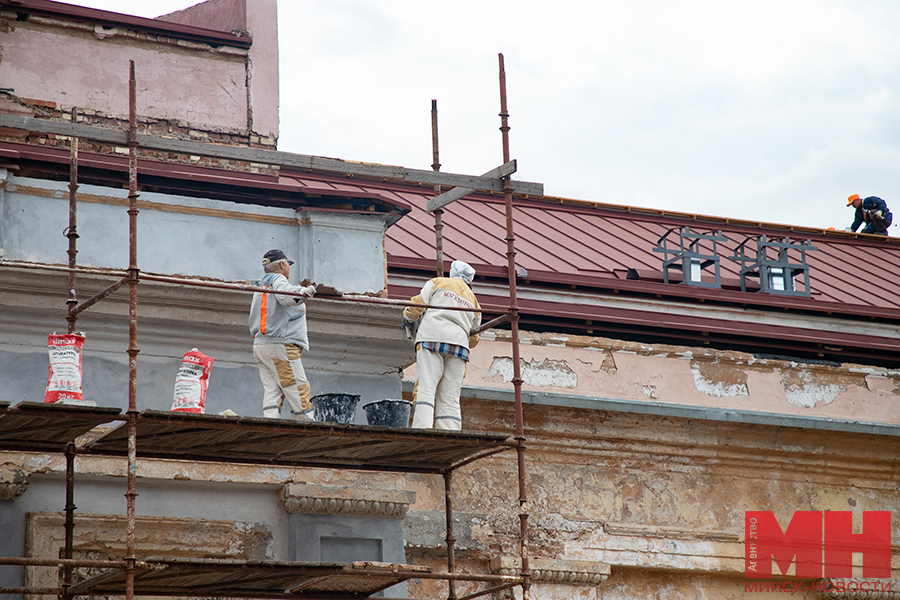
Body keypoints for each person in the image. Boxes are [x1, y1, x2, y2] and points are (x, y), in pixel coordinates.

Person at [403, 260, 481, 430]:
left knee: (427, 385)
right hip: (459, 347)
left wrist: (408, 318)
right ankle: (450, 431)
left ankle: (422, 428)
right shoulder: (473, 300)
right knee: (450, 394)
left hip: (432, 337)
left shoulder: (437, 282)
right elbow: (474, 338)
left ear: (452, 273)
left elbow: (418, 303)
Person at [249, 249, 318, 421]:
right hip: (280, 345)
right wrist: (304, 292)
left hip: (261, 346)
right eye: (288, 264)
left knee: (274, 389)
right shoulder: (278, 279)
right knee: (298, 386)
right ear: (282, 264)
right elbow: (286, 296)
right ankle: (308, 425)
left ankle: (270, 421)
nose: (289, 268)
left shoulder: (262, 285)